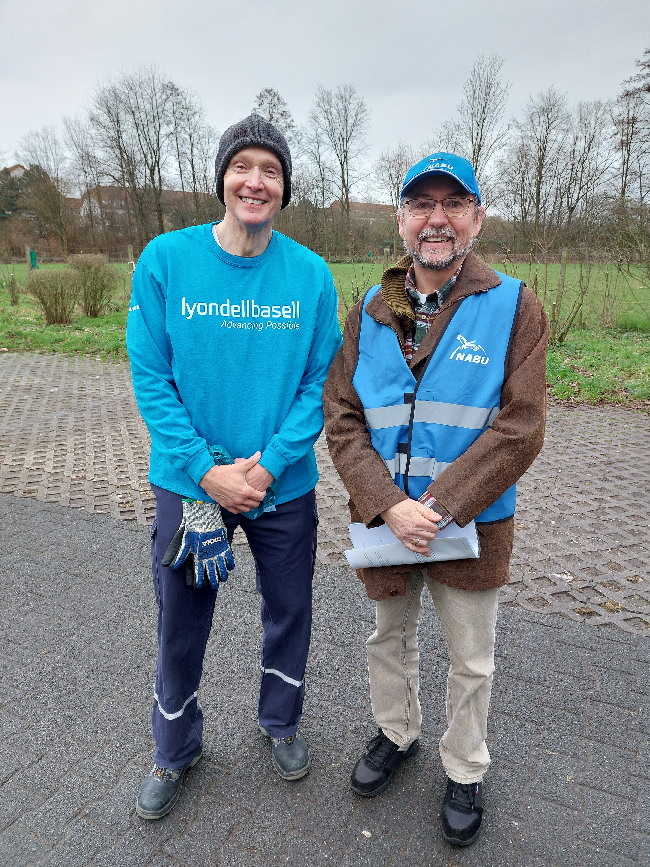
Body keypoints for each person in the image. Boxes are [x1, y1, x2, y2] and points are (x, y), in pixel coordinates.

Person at [323, 152, 548, 846]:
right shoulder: (369, 306)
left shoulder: (514, 304)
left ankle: (465, 765)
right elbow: (342, 413)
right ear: (401, 221)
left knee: (471, 655)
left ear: (477, 217)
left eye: (455, 203)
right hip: (384, 521)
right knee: (388, 637)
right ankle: (398, 732)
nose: (438, 218)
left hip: (471, 526)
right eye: (422, 204)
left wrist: (441, 505)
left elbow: (522, 425)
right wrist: (389, 504)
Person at [127, 114, 342, 820]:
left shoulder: (311, 275)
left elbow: (322, 383)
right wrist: (206, 472)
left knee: (289, 610)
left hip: (282, 488)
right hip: (192, 488)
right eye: (243, 165)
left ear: (284, 189)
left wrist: (271, 465)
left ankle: (280, 721)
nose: (256, 180)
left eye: (271, 170)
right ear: (222, 178)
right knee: (181, 622)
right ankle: (175, 746)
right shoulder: (165, 260)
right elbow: (152, 377)